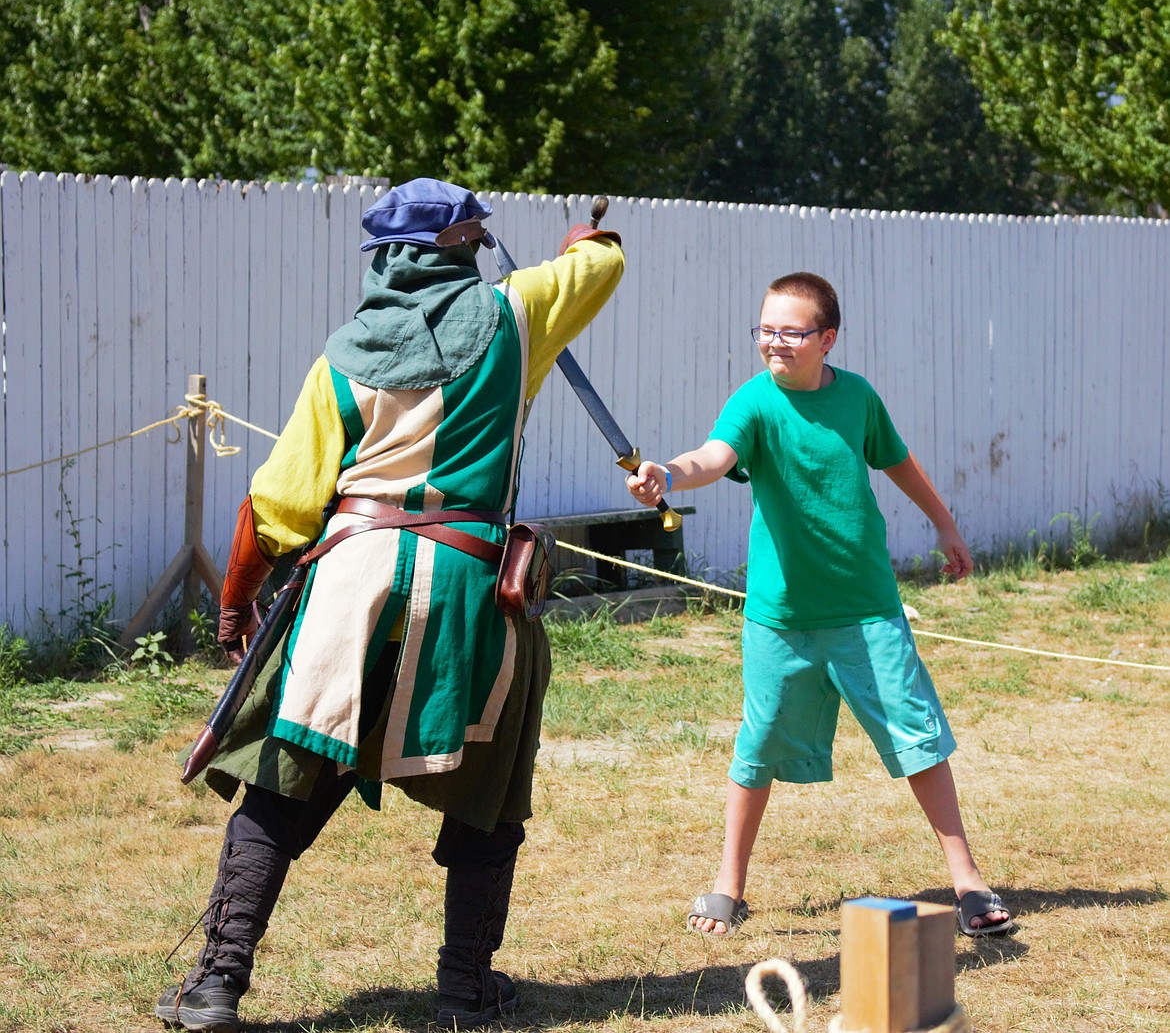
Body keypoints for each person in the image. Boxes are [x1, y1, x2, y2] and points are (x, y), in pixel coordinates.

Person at [155, 177, 624, 1032]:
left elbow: (279, 509)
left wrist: (234, 606)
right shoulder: (519, 314)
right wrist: (576, 244)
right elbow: (603, 262)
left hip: (347, 589)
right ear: (464, 249)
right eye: (477, 243)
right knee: (489, 791)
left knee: (283, 780)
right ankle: (464, 989)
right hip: (472, 591)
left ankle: (215, 984)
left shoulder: (340, 356)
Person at [626, 271, 1014, 940]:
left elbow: (898, 462)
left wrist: (945, 523)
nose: (774, 342)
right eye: (765, 329)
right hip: (781, 618)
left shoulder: (857, 397)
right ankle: (729, 884)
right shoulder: (754, 403)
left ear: (826, 338)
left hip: (867, 606)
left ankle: (968, 881)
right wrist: (667, 471)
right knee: (759, 745)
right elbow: (712, 457)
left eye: (790, 330)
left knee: (917, 736)